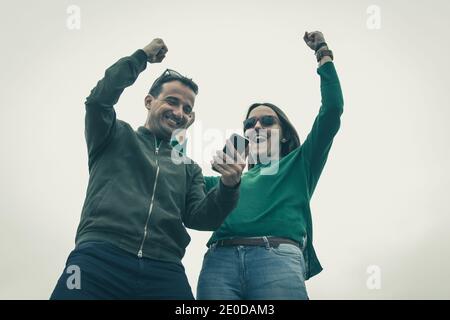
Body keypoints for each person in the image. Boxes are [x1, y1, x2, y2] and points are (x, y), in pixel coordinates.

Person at [50, 38, 244, 300]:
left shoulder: (189, 168)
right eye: (172, 102)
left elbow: (201, 217)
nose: (179, 112)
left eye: (187, 109)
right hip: (97, 258)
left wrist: (229, 186)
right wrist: (141, 57)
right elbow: (98, 101)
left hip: (164, 271)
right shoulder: (113, 134)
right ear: (149, 101)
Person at [196, 31, 344, 300]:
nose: (257, 126)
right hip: (219, 264)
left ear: (283, 132)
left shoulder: (300, 164)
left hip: (276, 260)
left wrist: (322, 53)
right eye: (250, 124)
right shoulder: (221, 181)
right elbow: (180, 183)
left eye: (267, 121)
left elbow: (332, 111)